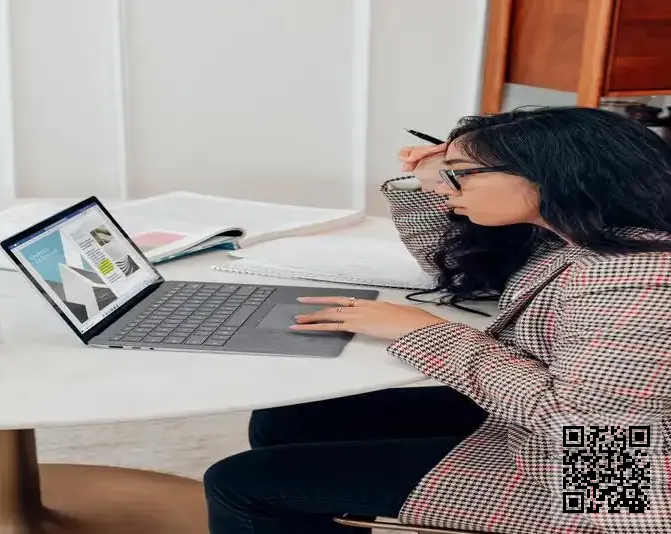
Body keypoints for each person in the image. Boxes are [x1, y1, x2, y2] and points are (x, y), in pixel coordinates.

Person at [202, 107, 671, 534]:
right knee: (290, 417)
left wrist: (424, 333)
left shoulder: (637, 275)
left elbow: (588, 426)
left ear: (548, 174)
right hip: (544, 430)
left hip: (604, 484)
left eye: (460, 175)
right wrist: (426, 179)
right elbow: (461, 269)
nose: (448, 188)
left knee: (240, 483)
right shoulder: (581, 234)